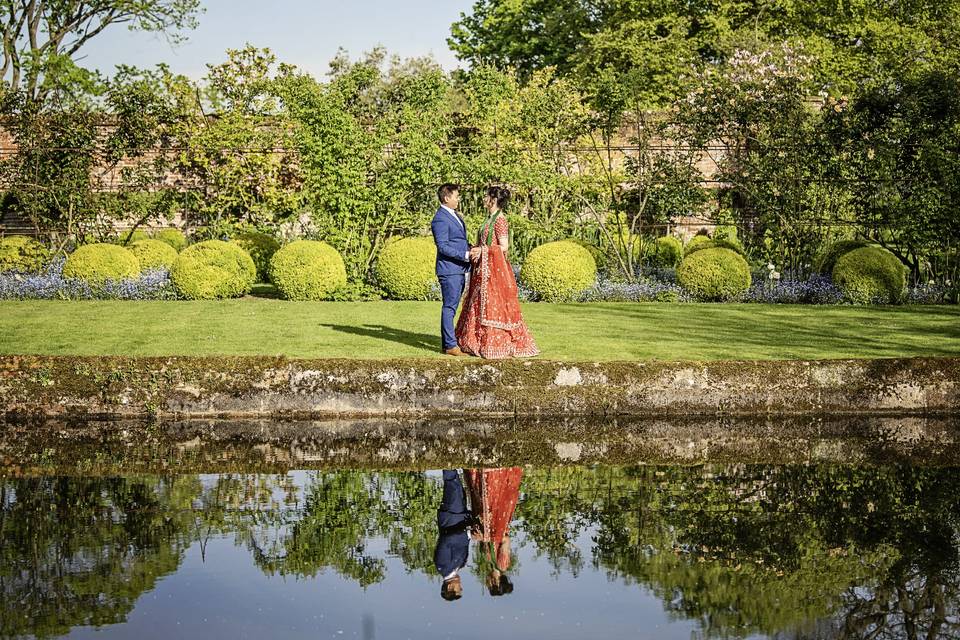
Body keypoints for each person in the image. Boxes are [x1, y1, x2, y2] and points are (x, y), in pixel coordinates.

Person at [456, 185, 539, 359]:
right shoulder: (489, 219)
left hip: (494, 271)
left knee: (494, 304)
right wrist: (476, 250)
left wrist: (484, 251)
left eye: (486, 196)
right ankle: (475, 341)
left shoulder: (500, 220)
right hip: (483, 269)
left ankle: (495, 344)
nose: (484, 199)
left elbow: (504, 247)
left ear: (493, 199)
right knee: (479, 302)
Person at [431, 184, 481, 356]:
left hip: (458, 269)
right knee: (450, 307)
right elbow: (443, 247)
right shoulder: (440, 219)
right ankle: (450, 346)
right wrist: (466, 255)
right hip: (449, 270)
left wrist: (471, 248)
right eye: (456, 196)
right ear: (447, 198)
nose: (458, 199)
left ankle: (449, 343)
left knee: (452, 306)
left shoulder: (454, 216)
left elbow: (457, 241)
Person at [464, 467, 523, 596]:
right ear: (495, 583)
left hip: (487, 522)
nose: (486, 582)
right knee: (494, 495)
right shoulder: (502, 565)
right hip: (496, 521)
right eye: (489, 585)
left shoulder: (490, 563)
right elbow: (506, 539)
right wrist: (485, 538)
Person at [434, 469, 472, 601]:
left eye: (458, 588)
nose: (461, 586)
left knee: (452, 484)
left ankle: (448, 459)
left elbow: (446, 541)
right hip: (460, 517)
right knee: (458, 487)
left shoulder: (442, 565)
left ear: (450, 587)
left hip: (451, 516)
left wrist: (468, 533)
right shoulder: (458, 566)